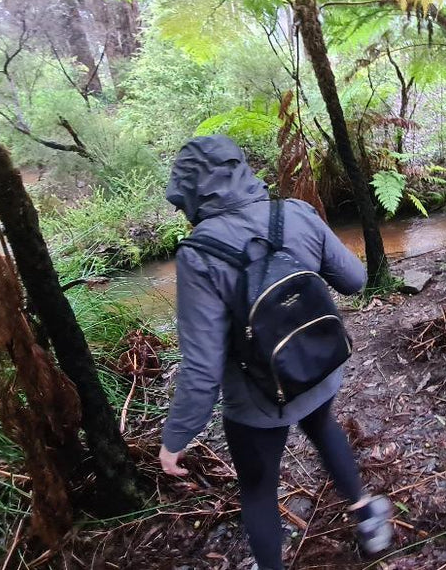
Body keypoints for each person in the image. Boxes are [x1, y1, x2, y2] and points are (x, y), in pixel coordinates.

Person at [158, 136, 392, 570]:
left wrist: (175, 438)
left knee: (258, 489)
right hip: (317, 367)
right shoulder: (294, 213)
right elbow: (356, 280)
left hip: (258, 399)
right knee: (323, 427)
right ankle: (368, 514)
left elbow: (203, 366)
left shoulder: (199, 255)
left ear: (190, 192)